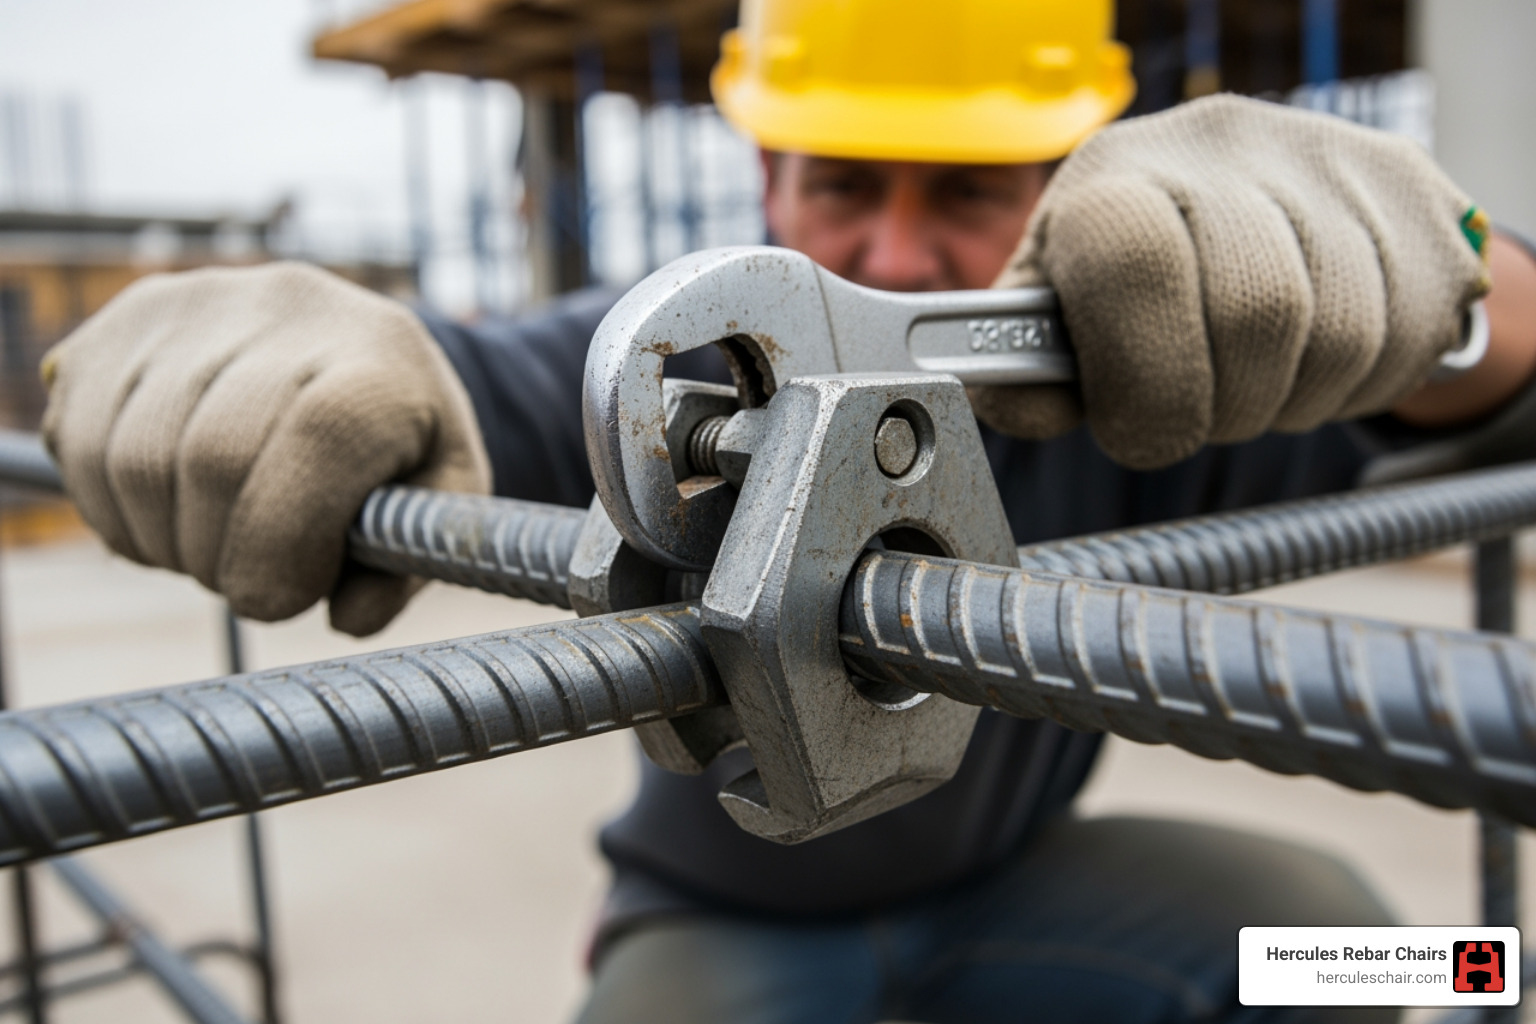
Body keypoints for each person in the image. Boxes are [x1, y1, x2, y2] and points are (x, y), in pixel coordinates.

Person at [37, 1, 1536, 1020]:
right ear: (765, 173)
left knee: (1389, 953)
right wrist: (256, 346)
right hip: (725, 938)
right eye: (843, 184)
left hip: (1025, 897)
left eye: (962, 188)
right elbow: (447, 388)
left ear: (1056, 177)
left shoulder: (1152, 387)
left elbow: (1494, 367)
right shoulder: (685, 370)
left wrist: (1443, 258)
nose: (892, 243)